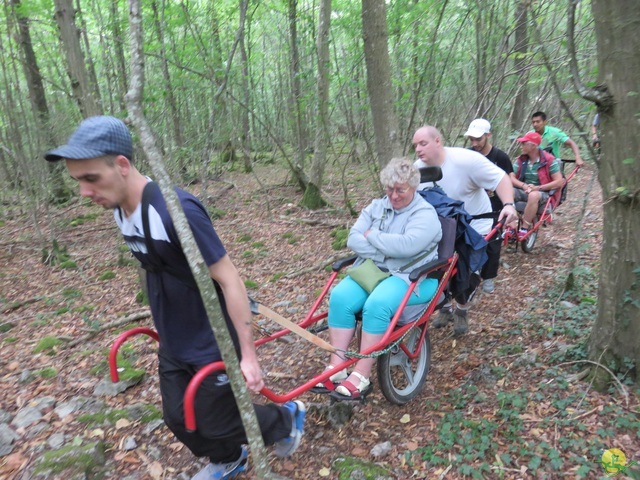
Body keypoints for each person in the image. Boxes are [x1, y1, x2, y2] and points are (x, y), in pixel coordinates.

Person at [44, 116, 305, 480]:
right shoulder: (120, 208)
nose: (85, 192)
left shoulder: (175, 211)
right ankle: (230, 458)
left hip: (211, 336)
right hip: (174, 335)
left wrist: (248, 354)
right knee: (177, 417)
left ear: (122, 165)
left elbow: (230, 280)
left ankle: (286, 418)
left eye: (91, 179)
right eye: (78, 181)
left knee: (215, 421)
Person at [319, 158, 442, 400]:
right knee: (340, 297)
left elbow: (407, 246)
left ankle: (362, 375)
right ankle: (337, 365)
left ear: (414, 187)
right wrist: (385, 253)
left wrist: (372, 235)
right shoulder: (378, 206)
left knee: (377, 305)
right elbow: (353, 238)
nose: (393, 196)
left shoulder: (425, 214)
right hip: (375, 270)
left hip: (412, 277)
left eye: (400, 190)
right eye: (389, 189)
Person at [412, 126, 518, 335]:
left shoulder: (466, 160)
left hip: (474, 226)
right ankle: (445, 307)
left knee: (467, 275)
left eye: (422, 144)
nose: (418, 149)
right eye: (415, 145)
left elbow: (501, 179)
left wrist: (509, 204)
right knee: (436, 271)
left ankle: (461, 310)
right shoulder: (416, 170)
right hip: (441, 228)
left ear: (437, 141)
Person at [464, 119, 513, 294]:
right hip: (473, 209)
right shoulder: (467, 155)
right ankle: (471, 276)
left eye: (478, 139)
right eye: (472, 139)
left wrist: (509, 205)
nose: (474, 143)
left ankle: (489, 277)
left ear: (488, 136)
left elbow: (506, 181)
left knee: (493, 244)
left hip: (495, 210)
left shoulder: (500, 157)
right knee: (471, 243)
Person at [509, 131, 564, 238]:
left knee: (533, 195)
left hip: (542, 192)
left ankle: (524, 228)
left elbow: (559, 181)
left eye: (524, 144)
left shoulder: (549, 161)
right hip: (524, 189)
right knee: (508, 191)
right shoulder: (521, 159)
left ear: (533, 145)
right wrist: (524, 186)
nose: (522, 146)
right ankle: (511, 225)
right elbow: (511, 177)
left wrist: (537, 188)